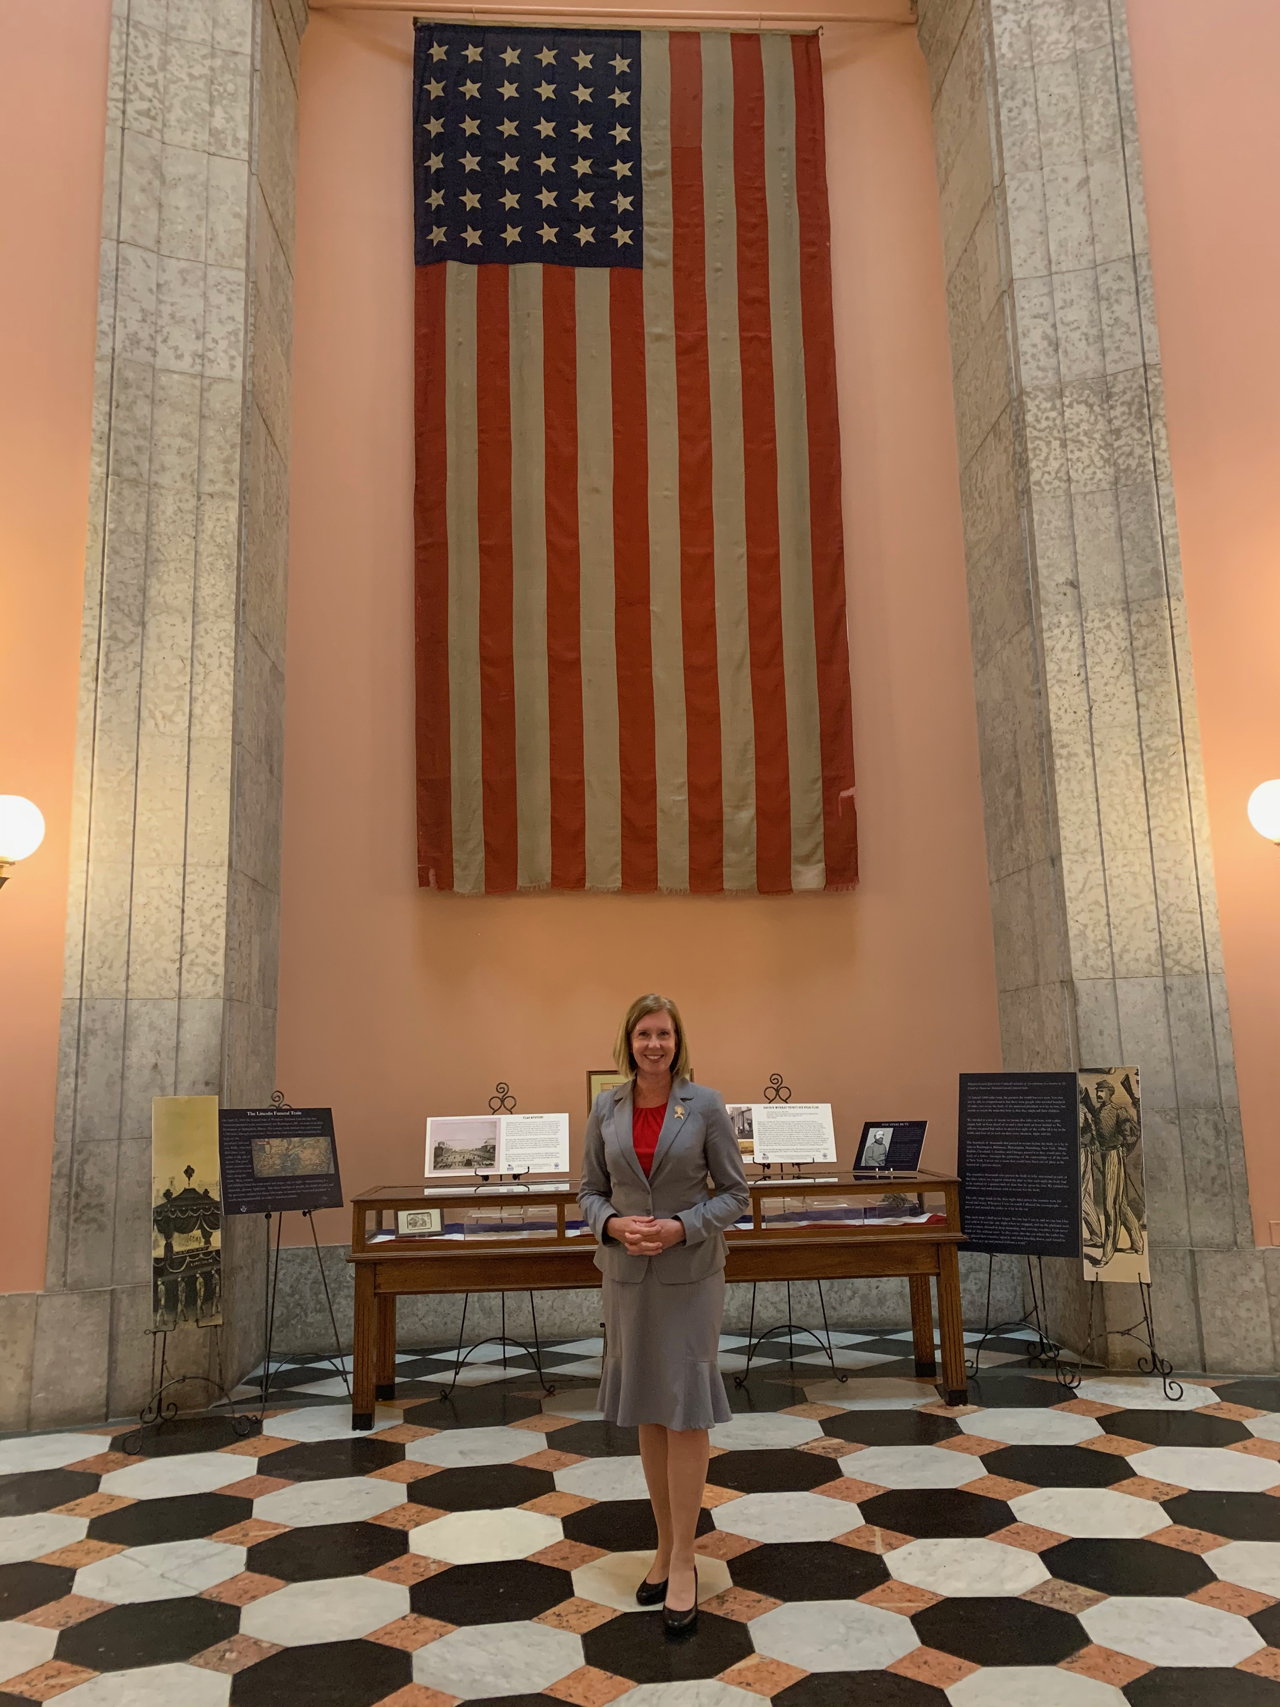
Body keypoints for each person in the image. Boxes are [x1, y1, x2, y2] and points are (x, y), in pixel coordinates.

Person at [579, 994, 750, 1634]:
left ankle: (686, 1559)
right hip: (628, 1277)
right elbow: (588, 1191)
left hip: (689, 1274)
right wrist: (614, 1224)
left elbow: (735, 1194)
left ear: (678, 1042)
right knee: (651, 1406)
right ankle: (661, 1544)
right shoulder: (607, 1106)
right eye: (644, 1034)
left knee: (686, 1409)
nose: (654, 1044)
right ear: (628, 1040)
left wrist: (681, 1227)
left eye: (665, 1034)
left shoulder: (703, 1104)